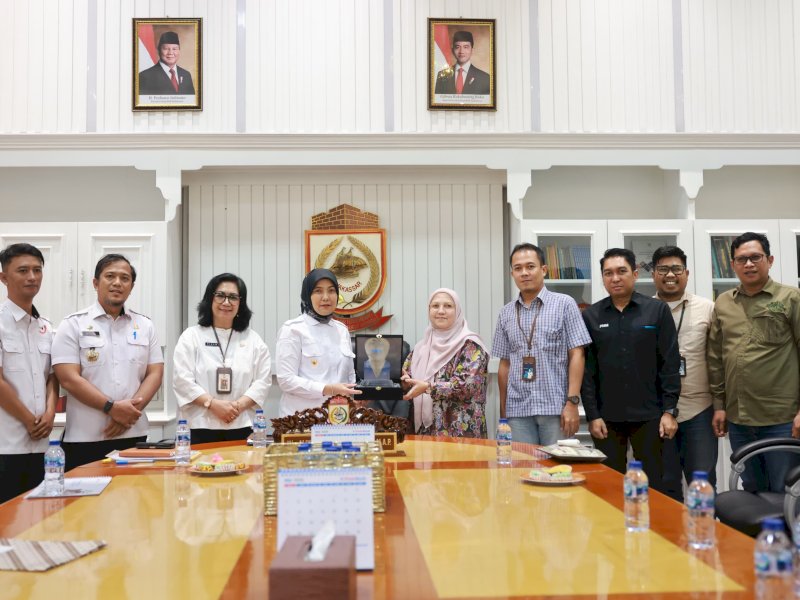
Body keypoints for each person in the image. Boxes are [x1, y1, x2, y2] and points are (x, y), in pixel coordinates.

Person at [581, 248, 681, 499]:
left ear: (635, 274)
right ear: (603, 278)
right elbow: (587, 371)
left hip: (650, 416)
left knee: (653, 486)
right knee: (608, 486)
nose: (615, 278)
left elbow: (669, 364)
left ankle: (652, 534)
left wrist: (669, 411)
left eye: (621, 271)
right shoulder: (591, 316)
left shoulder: (656, 311)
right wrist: (592, 415)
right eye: (608, 273)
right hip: (607, 419)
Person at [52, 254, 164, 470]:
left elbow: (155, 373)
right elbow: (68, 378)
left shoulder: (145, 325)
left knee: (134, 500)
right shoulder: (73, 324)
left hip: (134, 433)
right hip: (85, 437)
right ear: (95, 283)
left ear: (131, 286)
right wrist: (111, 408)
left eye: (125, 278)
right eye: (110, 276)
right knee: (85, 503)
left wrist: (127, 414)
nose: (117, 283)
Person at [708, 232, 800, 493]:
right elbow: (716, 357)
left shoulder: (790, 298)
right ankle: (755, 537)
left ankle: (785, 536)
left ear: (769, 260)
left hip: (781, 418)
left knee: (786, 493)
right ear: (734, 264)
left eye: (755, 257)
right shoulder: (724, 302)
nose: (748, 264)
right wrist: (719, 406)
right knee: (751, 491)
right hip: (739, 419)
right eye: (741, 259)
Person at [491, 243, 591, 446]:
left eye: (530, 266)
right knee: (521, 471)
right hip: (518, 412)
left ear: (543, 270)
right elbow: (504, 365)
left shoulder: (565, 304)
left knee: (558, 470)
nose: (524, 273)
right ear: (512, 274)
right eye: (518, 268)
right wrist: (504, 411)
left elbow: (577, 354)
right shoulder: (506, 313)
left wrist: (572, 403)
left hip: (555, 408)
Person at [173, 273, 271, 444]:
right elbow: (182, 380)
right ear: (209, 299)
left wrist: (237, 407)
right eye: (220, 296)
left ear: (241, 303)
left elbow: (262, 381)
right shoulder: (191, 336)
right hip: (200, 425)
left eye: (233, 297)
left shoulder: (253, 340)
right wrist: (212, 404)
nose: (226, 302)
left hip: (242, 424)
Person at [652, 245, 717, 491]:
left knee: (703, 483)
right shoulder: (645, 311)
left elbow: (719, 358)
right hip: (657, 411)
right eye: (663, 269)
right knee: (665, 485)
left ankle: (705, 530)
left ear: (687, 273)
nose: (670, 274)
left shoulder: (707, 308)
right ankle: (669, 532)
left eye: (676, 269)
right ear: (654, 274)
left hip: (700, 408)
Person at [0, 244, 58, 503]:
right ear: (3, 278)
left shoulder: (46, 327)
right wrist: (27, 420)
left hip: (42, 446)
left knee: (37, 520)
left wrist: (49, 412)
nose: (32, 277)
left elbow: (52, 377)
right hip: (6, 445)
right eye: (23, 270)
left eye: (37, 270)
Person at [401, 288, 489, 437]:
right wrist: (404, 383)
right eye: (435, 306)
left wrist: (428, 387)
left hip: (460, 432)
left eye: (448, 306)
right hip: (424, 432)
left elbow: (466, 386)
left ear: (457, 310)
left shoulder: (470, 346)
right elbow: (408, 376)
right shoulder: (421, 347)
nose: (440, 311)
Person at [275, 269, 360, 416]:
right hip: (302, 420)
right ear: (307, 295)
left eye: (331, 291)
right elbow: (286, 380)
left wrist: (357, 395)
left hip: (339, 419)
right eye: (318, 291)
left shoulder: (341, 330)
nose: (326, 297)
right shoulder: (293, 330)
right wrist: (328, 389)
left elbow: (349, 376)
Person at [434, 31, 491, 95]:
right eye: (457, 47)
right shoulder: (442, 75)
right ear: (453, 50)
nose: (461, 51)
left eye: (466, 47)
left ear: (472, 50)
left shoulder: (485, 78)